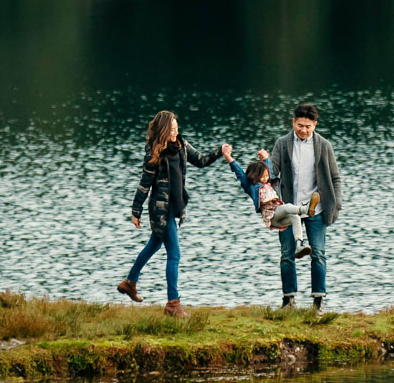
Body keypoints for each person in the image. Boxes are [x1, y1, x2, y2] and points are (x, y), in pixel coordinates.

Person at [120, 110, 230, 317]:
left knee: (153, 245)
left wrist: (219, 151)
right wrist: (136, 210)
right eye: (171, 129)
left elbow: (201, 160)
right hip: (160, 210)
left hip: (174, 207)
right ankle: (173, 304)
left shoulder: (181, 145)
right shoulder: (154, 152)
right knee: (174, 254)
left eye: (176, 128)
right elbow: (144, 184)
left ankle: (130, 282)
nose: (175, 132)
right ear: (162, 131)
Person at [266, 102, 341, 309]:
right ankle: (288, 300)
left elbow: (335, 178)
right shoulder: (282, 143)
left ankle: (318, 301)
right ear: (293, 122)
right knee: (287, 255)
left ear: (315, 125)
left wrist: (336, 205)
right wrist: (264, 163)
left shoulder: (324, 146)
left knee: (318, 253)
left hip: (316, 209)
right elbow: (272, 173)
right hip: (290, 209)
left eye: (308, 126)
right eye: (300, 125)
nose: (303, 130)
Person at [227, 150, 322, 234]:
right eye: (262, 176)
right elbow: (239, 172)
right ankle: (306, 209)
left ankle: (299, 245)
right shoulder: (252, 186)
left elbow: (269, 169)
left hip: (279, 216)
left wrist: (266, 158)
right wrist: (228, 156)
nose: (265, 178)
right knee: (287, 207)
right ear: (254, 176)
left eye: (266, 176)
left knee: (295, 218)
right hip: (271, 216)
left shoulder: (270, 183)